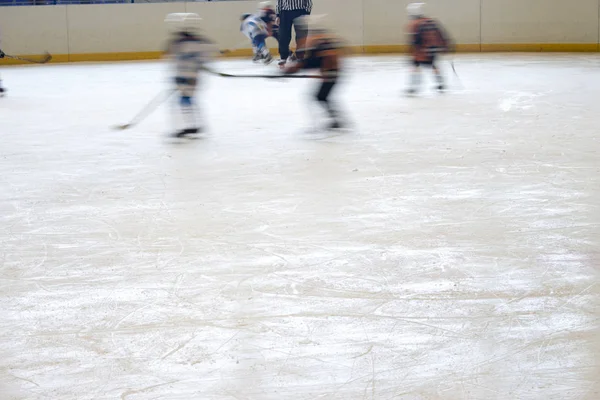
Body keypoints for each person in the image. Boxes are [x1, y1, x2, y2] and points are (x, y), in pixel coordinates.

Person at [283, 15, 345, 130]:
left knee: (321, 96)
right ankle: (335, 120)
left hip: (331, 74)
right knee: (322, 96)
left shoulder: (318, 41)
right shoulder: (321, 39)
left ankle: (335, 120)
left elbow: (309, 62)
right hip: (333, 73)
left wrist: (290, 70)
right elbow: (311, 62)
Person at [165, 13, 215, 138]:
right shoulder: (200, 42)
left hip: (186, 77)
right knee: (187, 100)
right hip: (192, 77)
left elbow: (176, 60)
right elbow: (206, 57)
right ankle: (193, 125)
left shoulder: (177, 43)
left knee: (185, 100)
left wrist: (179, 76)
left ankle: (190, 126)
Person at [406, 2, 452, 95]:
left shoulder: (415, 24)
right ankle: (441, 84)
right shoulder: (431, 21)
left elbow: (415, 40)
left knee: (416, 66)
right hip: (433, 50)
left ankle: (414, 86)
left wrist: (411, 51)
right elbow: (441, 34)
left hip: (422, 51)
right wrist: (445, 46)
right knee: (433, 65)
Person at [276, 0, 312, 68]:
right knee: (283, 35)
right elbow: (279, 1)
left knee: (301, 35)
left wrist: (307, 12)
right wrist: (278, 15)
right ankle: (283, 57)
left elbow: (308, 1)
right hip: (285, 12)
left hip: (300, 11)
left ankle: (300, 57)